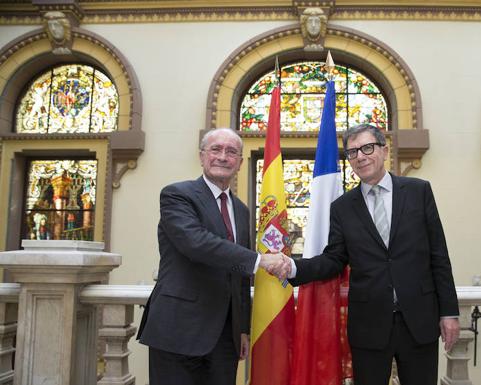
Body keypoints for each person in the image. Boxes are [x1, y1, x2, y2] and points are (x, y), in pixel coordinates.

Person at [276, 124, 460, 385]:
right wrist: (293, 268)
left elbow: (439, 256)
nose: (360, 156)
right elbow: (334, 259)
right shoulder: (342, 207)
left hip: (419, 320)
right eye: (352, 152)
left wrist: (449, 313)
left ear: (384, 150)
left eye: (367, 148)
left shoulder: (418, 191)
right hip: (369, 325)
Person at [137, 128, 286, 385]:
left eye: (231, 152)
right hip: (178, 328)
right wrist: (260, 260)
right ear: (202, 156)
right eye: (216, 149)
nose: (223, 157)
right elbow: (196, 243)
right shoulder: (177, 195)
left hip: (224, 337)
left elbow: (240, 276)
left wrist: (241, 329)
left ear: (239, 162)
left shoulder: (241, 210)